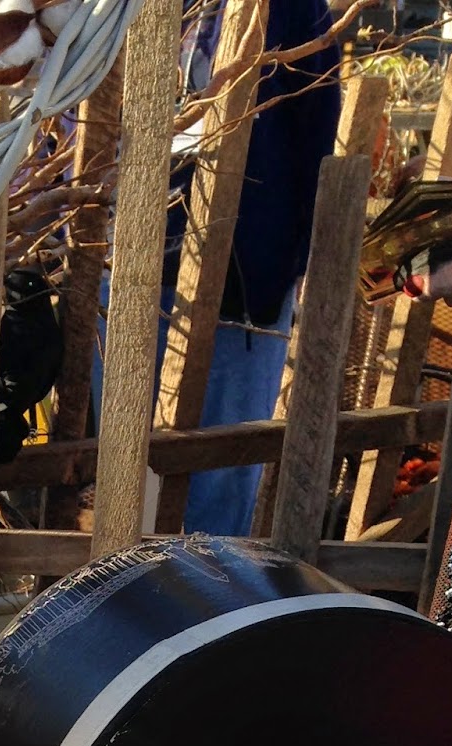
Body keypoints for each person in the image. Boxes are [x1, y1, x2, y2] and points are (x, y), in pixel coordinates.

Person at [91, 0, 342, 538]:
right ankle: (127, 586)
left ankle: (209, 587)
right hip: (120, 264)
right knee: (120, 477)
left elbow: (316, 129)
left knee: (220, 476)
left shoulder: (286, 8)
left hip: (244, 275)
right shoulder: (114, 9)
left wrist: (295, 259)